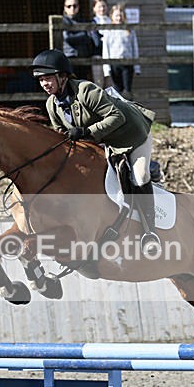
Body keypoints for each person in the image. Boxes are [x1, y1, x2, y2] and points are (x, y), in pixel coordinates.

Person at [31, 49, 160, 254]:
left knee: (140, 175)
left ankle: (150, 232)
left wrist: (86, 131)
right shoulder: (51, 105)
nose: (44, 84)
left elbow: (116, 117)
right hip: (104, 141)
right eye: (41, 81)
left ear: (62, 76)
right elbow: (62, 136)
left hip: (132, 135)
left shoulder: (86, 91)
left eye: (47, 79)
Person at [102, 3, 140, 99]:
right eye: (116, 16)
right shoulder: (109, 31)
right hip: (114, 63)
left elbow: (134, 48)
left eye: (120, 16)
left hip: (127, 63)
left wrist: (137, 67)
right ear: (112, 16)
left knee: (127, 90)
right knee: (117, 89)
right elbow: (106, 50)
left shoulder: (129, 30)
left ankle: (129, 111)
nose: (118, 18)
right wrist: (106, 69)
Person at [61, 0, 97, 80]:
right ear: (65, 8)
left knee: (82, 84)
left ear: (78, 7)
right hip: (70, 57)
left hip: (84, 57)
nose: (72, 8)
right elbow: (68, 38)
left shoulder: (83, 20)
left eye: (75, 5)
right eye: (69, 6)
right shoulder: (63, 21)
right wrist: (85, 34)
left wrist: (80, 36)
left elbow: (91, 39)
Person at [91, 0, 111, 86]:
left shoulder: (111, 21)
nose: (102, 9)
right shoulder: (93, 22)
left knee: (110, 85)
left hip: (111, 56)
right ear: (94, 8)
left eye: (104, 6)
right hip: (98, 55)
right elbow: (97, 42)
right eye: (99, 6)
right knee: (99, 83)